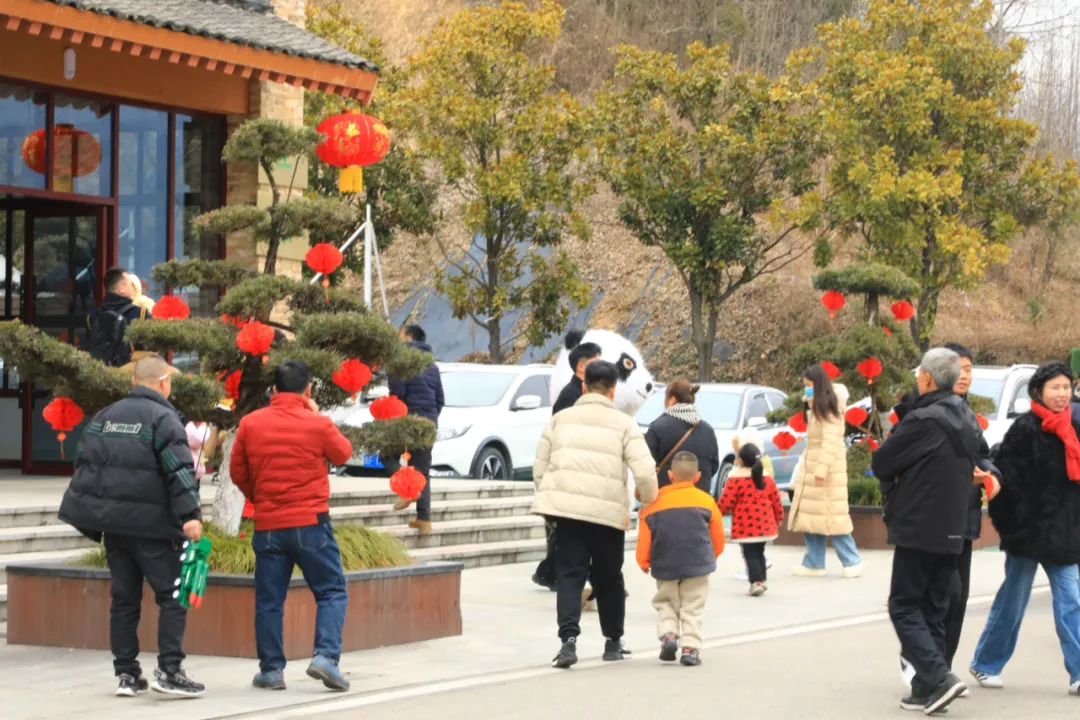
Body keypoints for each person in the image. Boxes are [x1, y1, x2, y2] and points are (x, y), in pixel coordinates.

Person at [58, 354, 205, 697]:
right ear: (165, 382)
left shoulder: (105, 417)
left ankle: (126, 674)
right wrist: (191, 516)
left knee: (125, 601)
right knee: (172, 596)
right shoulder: (164, 419)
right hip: (153, 528)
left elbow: (85, 463)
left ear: (134, 382)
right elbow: (179, 473)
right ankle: (169, 670)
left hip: (115, 528)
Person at [231, 360, 355, 692]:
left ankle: (271, 671)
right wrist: (314, 414)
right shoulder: (317, 423)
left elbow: (236, 472)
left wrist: (259, 497)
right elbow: (343, 454)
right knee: (330, 591)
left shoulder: (250, 423)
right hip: (311, 523)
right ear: (308, 388)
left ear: (273, 389)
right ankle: (326, 657)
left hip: (268, 525)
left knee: (269, 600)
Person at [871, 347, 983, 715]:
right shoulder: (966, 418)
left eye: (920, 373)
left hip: (920, 526)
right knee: (933, 610)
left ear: (927, 379)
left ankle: (939, 677)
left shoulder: (925, 419)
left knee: (903, 605)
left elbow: (882, 460)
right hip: (954, 527)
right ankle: (925, 690)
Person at [532, 360, 658, 669]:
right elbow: (644, 471)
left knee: (569, 576)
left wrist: (554, 499)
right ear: (613, 391)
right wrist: (650, 499)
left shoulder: (559, 420)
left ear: (584, 385)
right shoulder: (625, 424)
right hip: (606, 516)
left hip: (567, 515)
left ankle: (568, 642)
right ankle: (613, 642)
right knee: (609, 578)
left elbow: (539, 469)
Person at [969, 362, 1080, 696]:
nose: (1062, 394)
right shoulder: (1024, 430)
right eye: (1055, 388)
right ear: (1038, 392)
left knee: (1071, 599)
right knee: (1013, 600)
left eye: (1066, 388)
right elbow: (1005, 479)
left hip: (1064, 532)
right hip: (1028, 532)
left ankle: (1078, 673)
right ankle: (986, 663)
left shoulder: (1075, 427)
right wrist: (1015, 526)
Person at [897, 342, 1001, 690]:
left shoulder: (968, 416)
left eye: (970, 369)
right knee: (920, 600)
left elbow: (983, 457)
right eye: (960, 368)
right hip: (926, 520)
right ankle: (930, 672)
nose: (964, 375)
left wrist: (991, 475)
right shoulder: (917, 409)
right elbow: (891, 459)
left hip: (961, 521)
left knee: (952, 601)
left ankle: (940, 672)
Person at [636, 451, 724, 666]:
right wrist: (711, 556)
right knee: (692, 606)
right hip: (698, 564)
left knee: (666, 602)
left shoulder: (655, 502)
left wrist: (644, 561)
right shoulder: (706, 501)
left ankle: (668, 635)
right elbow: (718, 537)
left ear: (671, 475)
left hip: (665, 563)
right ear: (697, 477)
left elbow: (645, 535)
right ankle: (690, 649)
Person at [533, 338, 603, 591]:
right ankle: (556, 573)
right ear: (581, 368)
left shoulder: (588, 394)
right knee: (567, 531)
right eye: (597, 363)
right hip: (568, 472)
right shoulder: (570, 396)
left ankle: (552, 572)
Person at [788, 365, 861, 577]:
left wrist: (821, 469)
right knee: (811, 517)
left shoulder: (829, 406)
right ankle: (813, 562)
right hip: (815, 469)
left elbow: (831, 441)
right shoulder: (816, 405)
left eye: (809, 386)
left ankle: (852, 560)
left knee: (832, 518)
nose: (806, 390)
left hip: (826, 472)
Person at [388, 324, 444, 535]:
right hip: (429, 422)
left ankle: (407, 491)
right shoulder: (432, 366)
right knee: (423, 470)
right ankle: (424, 519)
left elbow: (398, 394)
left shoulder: (401, 361)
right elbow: (440, 400)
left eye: (401, 335)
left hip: (408, 419)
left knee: (386, 455)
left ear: (409, 337)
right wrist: (429, 418)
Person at [719, 443, 784, 597]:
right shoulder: (767, 479)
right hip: (765, 525)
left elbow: (726, 503)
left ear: (740, 460)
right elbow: (776, 501)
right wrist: (778, 518)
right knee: (760, 551)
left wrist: (715, 513)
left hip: (745, 526)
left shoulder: (735, 480)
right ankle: (761, 579)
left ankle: (756, 582)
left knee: (750, 554)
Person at [643, 378, 720, 494]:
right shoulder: (707, 430)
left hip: (667, 500)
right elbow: (714, 466)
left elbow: (646, 465)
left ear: (672, 400)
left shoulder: (658, 427)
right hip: (700, 501)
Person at [87, 267, 152, 367]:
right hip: (129, 375)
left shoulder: (92, 316)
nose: (133, 288)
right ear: (121, 288)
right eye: (131, 284)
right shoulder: (141, 314)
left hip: (100, 373)